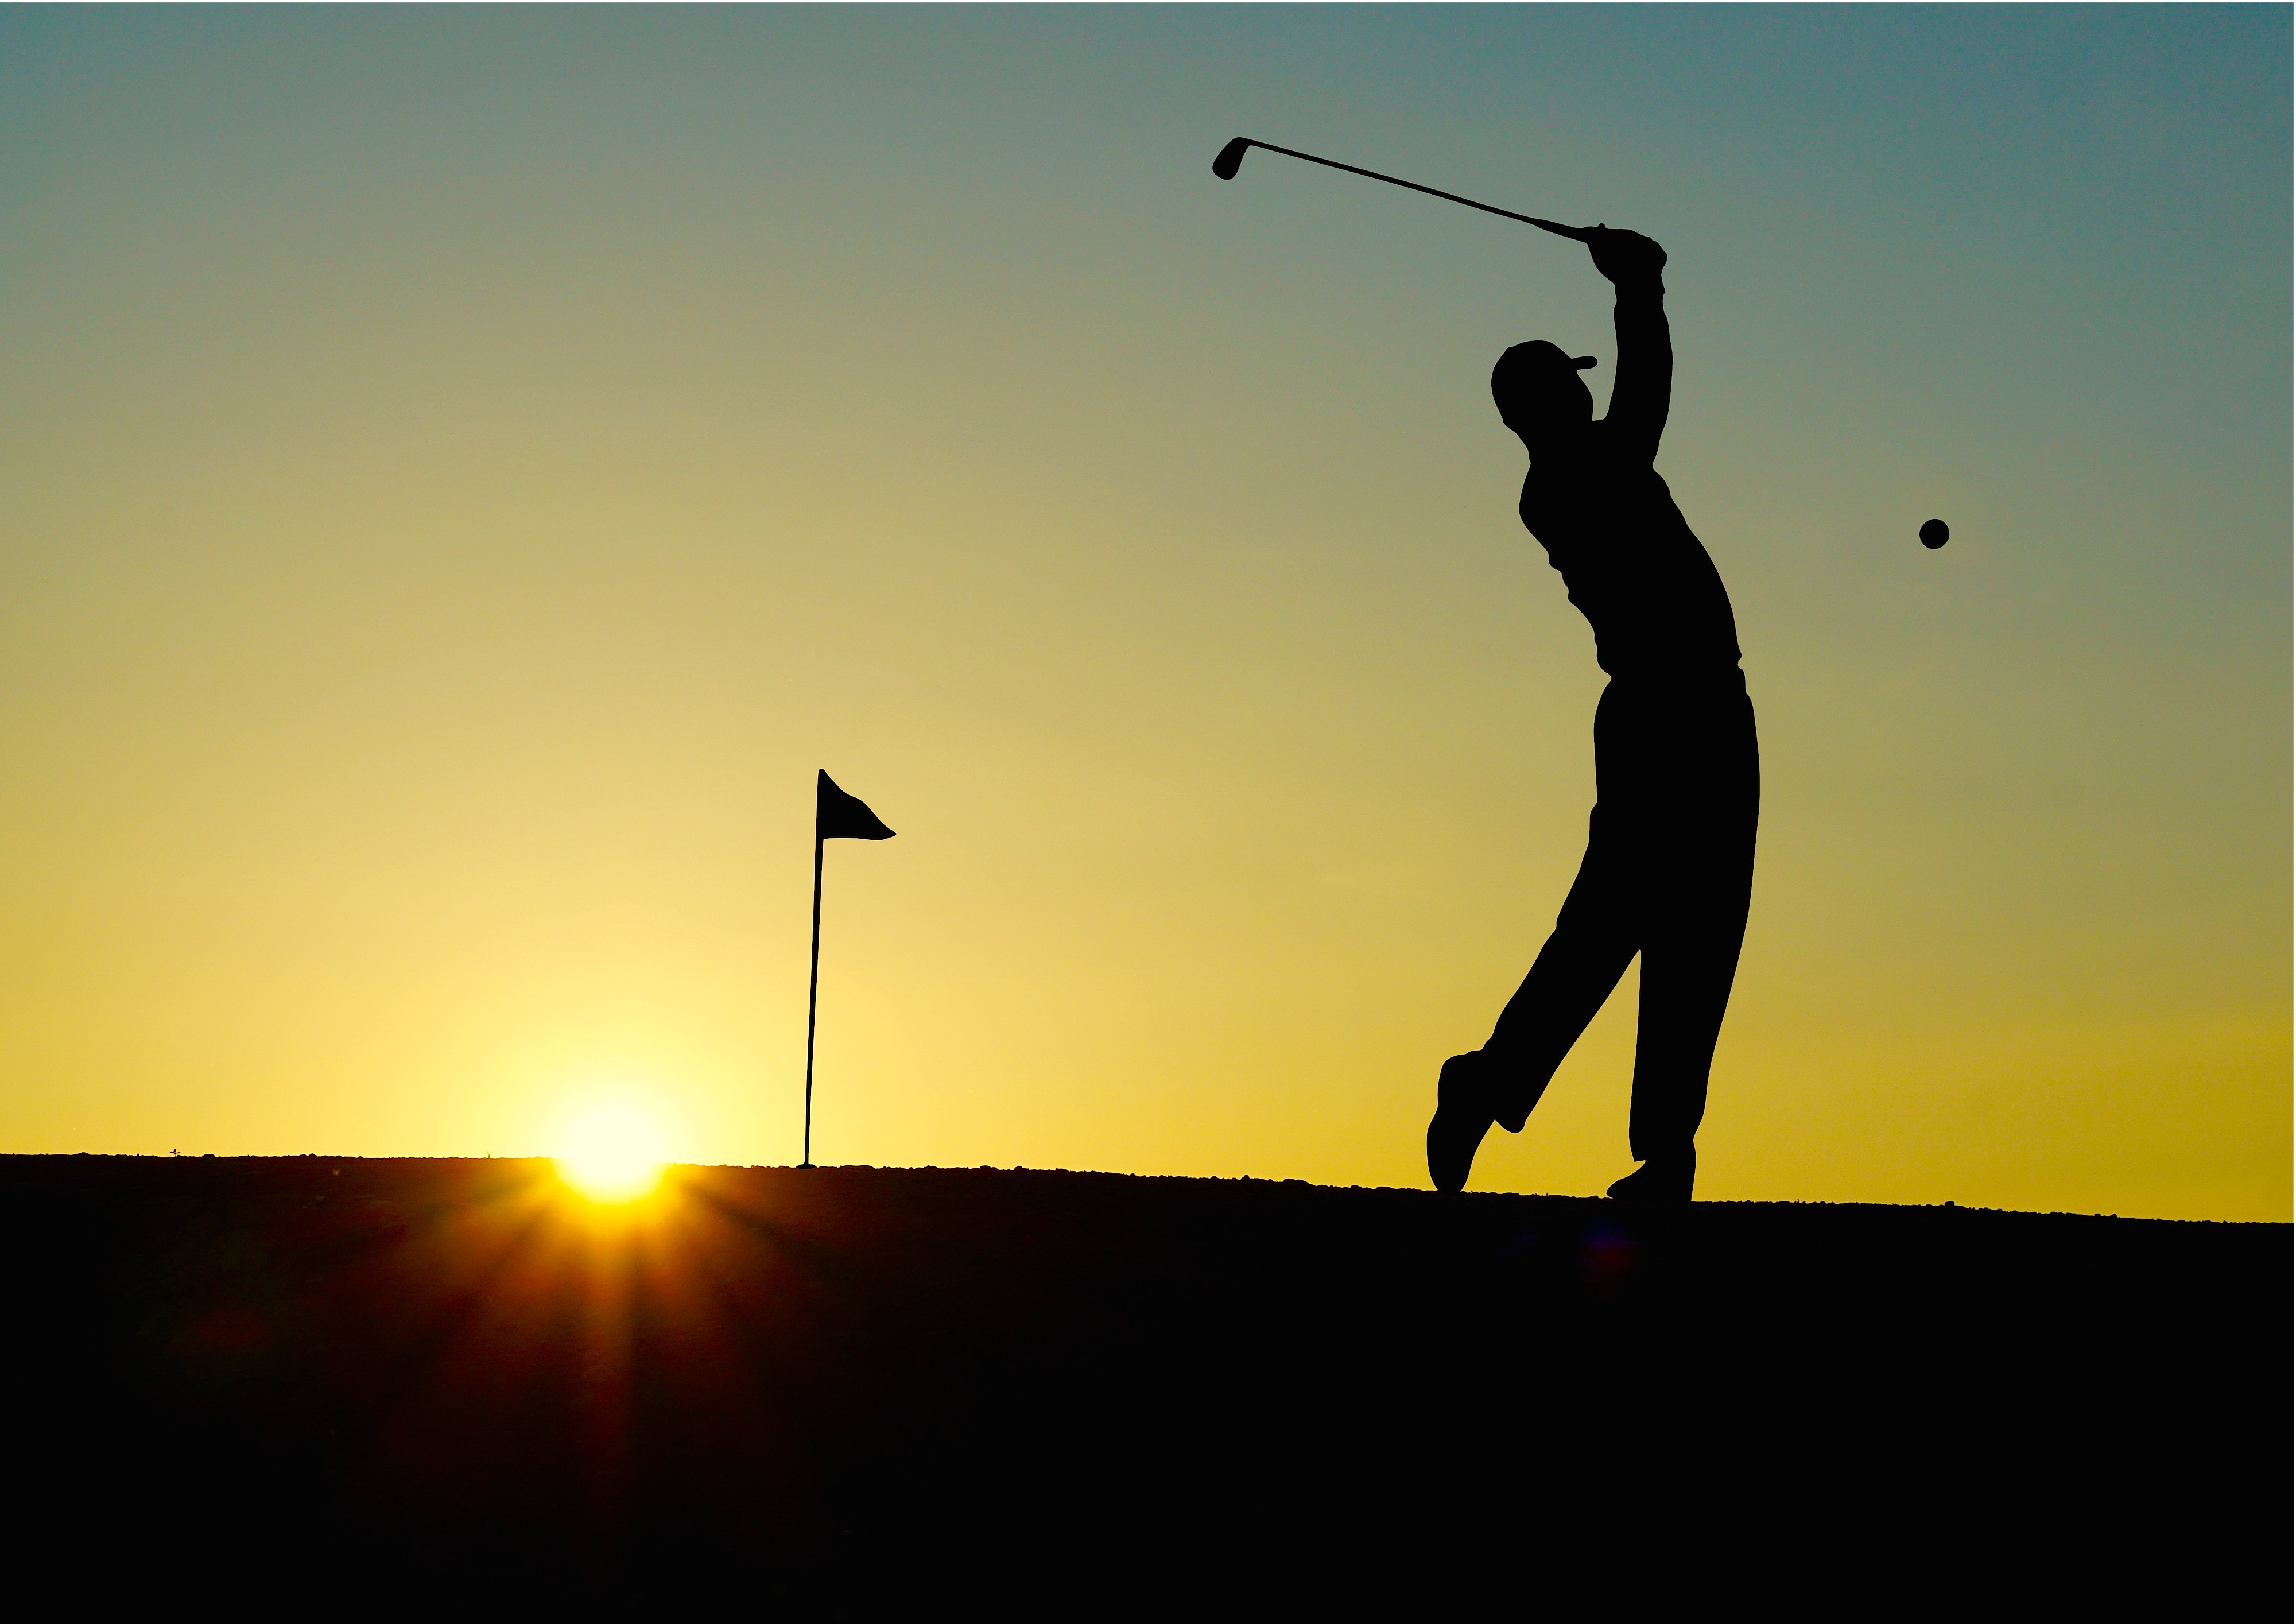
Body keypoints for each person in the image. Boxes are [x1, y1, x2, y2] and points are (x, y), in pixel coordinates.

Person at [1426, 226, 1758, 1204]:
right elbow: (1646, 402)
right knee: (1620, 921)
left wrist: (1641, 289)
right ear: (1549, 403)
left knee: (1699, 928)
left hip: (1703, 708)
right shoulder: (1573, 479)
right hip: (1668, 716)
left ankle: (1659, 1154)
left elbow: (1635, 410)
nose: (1585, 390)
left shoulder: (1578, 469)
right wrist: (1639, 289)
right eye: (1569, 385)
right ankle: (1492, 1083)